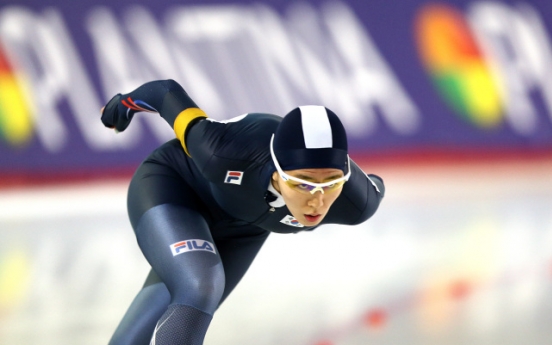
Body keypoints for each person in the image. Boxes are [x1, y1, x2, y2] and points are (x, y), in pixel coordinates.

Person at [100, 79, 385, 345]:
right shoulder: (221, 151)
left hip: (244, 230)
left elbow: (375, 185)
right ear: (276, 171)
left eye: (331, 183)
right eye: (303, 184)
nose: (318, 201)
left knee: (184, 293)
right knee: (200, 286)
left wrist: (332, 185)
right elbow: (164, 92)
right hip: (175, 189)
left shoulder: (357, 202)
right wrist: (122, 106)